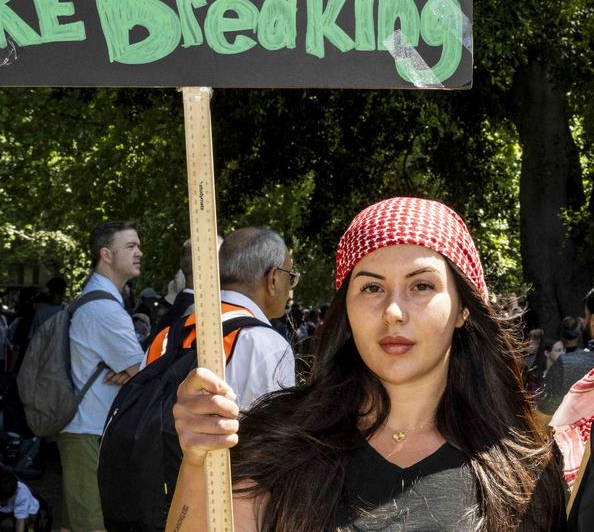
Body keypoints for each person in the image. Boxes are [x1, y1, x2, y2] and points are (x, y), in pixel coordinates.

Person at [168, 197, 565, 532]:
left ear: (463, 308)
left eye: (421, 286)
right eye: (371, 287)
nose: (393, 311)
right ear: (347, 310)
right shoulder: (277, 442)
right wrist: (198, 460)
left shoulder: (525, 468)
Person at [145, 228, 296, 411]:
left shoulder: (167, 336)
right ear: (273, 279)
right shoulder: (267, 346)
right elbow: (274, 433)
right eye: (290, 277)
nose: (290, 287)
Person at [57, 220, 144, 532]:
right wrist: (132, 373)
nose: (139, 253)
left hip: (87, 430)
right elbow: (145, 375)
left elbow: (135, 371)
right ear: (107, 254)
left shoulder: (96, 299)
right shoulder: (105, 311)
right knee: (90, 525)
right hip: (87, 432)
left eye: (138, 246)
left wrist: (131, 372)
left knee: (79, 522)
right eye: (130, 246)